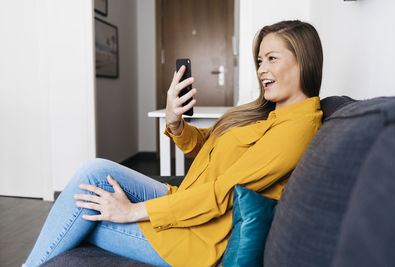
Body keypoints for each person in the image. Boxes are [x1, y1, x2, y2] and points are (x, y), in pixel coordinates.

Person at [24, 20, 323, 267]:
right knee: (94, 172)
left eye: (272, 59)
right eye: (259, 60)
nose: (261, 70)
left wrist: (132, 212)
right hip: (184, 199)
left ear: (303, 61)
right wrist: (175, 122)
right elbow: (204, 146)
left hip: (200, 237)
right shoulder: (267, 114)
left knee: (82, 210)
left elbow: (222, 193)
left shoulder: (297, 128)